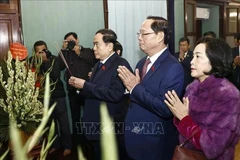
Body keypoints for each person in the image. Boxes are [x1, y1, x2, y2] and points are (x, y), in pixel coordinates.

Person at [117, 16, 184, 160]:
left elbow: (165, 108)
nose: (140, 38)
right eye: (138, 34)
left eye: (144, 34)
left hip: (154, 142)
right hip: (134, 135)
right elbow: (137, 97)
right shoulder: (141, 63)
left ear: (160, 36)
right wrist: (129, 90)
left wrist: (135, 88)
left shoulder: (173, 67)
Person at [164, 38, 240, 160]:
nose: (192, 62)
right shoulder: (192, 87)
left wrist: (184, 118)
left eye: (198, 57)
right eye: (193, 56)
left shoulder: (227, 94)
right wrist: (180, 117)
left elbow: (213, 147)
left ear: (215, 61)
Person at [68, 29, 132, 160]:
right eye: (93, 44)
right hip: (96, 126)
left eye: (97, 44)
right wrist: (79, 87)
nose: (93, 48)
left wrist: (85, 85)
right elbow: (94, 90)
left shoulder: (120, 64)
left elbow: (115, 94)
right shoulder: (98, 64)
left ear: (109, 46)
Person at [33, 40, 72, 155]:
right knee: (50, 123)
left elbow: (55, 77)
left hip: (58, 96)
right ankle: (55, 145)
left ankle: (68, 146)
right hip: (43, 98)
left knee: (63, 123)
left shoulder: (54, 59)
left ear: (47, 49)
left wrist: (46, 61)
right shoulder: (33, 61)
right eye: (39, 52)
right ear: (35, 53)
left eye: (44, 50)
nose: (42, 53)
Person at [59, 32, 97, 144]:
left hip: (86, 89)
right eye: (68, 41)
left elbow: (93, 61)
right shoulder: (65, 53)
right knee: (75, 117)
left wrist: (78, 51)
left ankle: (90, 139)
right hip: (72, 90)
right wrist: (63, 50)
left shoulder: (88, 51)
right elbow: (59, 66)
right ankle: (77, 141)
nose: (71, 43)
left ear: (77, 40)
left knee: (89, 115)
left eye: (72, 41)